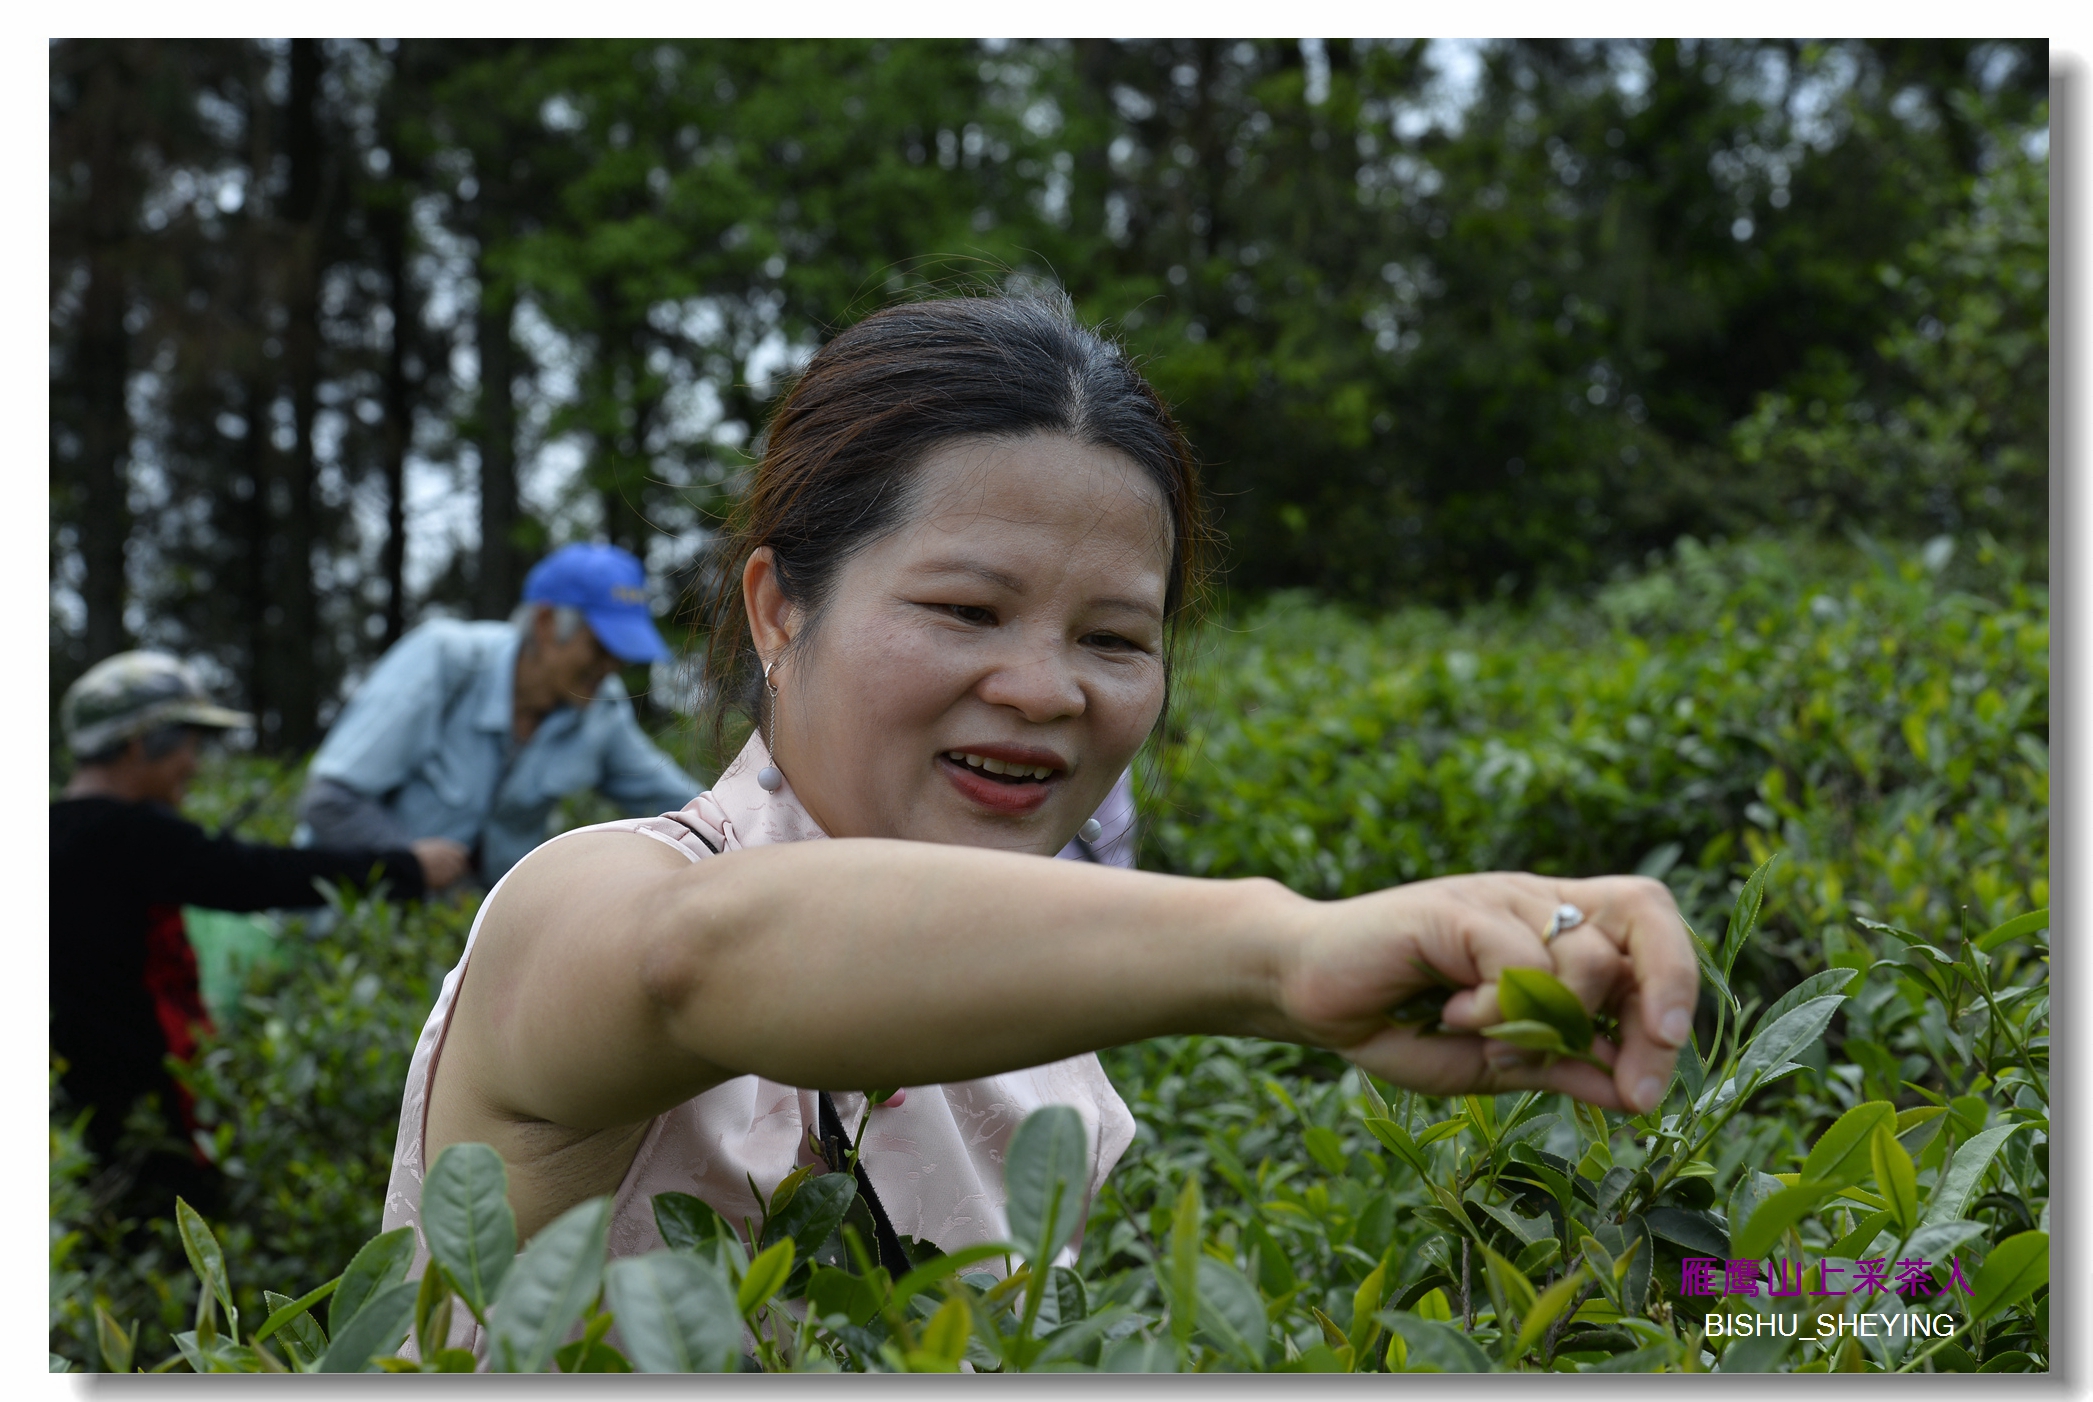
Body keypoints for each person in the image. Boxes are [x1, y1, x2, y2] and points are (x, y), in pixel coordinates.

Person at [382, 295, 1698, 1354]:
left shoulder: (1050, 1069)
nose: (1043, 689)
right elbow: (694, 961)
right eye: (965, 610)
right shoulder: (593, 900)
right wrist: (1279, 950)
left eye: (1115, 636)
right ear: (780, 608)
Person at [50, 651, 467, 1216]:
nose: (194, 765)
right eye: (188, 746)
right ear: (138, 744)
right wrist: (405, 868)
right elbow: (257, 875)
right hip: (143, 1109)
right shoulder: (131, 835)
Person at [297, 543, 705, 886]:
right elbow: (330, 801)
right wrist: (407, 860)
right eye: (600, 648)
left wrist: (752, 830)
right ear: (546, 624)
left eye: (623, 652)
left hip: (457, 948)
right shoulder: (445, 661)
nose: (611, 666)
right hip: (344, 926)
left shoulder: (602, 708)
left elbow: (676, 801)